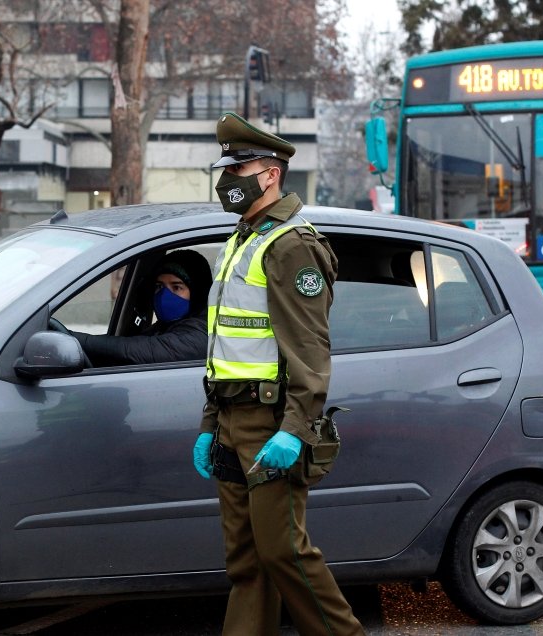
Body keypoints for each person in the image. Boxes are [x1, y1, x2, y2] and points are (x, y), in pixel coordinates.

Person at [192, 112, 364, 636]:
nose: (228, 181)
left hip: (271, 425)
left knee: (284, 552)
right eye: (225, 169)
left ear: (269, 174)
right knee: (247, 562)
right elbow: (224, 344)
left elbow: (309, 353)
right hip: (231, 419)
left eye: (238, 168)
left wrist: (294, 430)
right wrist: (208, 423)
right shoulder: (242, 239)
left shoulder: (292, 245)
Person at [69, 249, 212, 365]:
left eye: (176, 287)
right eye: (159, 286)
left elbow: (134, 350)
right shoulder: (165, 326)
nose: (164, 295)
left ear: (198, 293)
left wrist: (71, 339)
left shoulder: (201, 333)